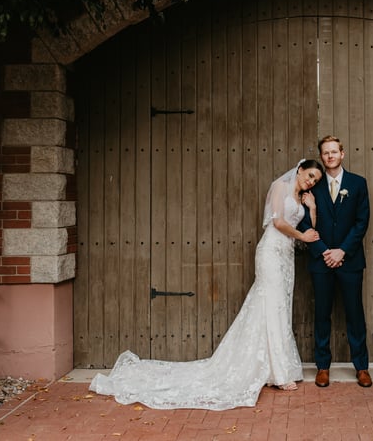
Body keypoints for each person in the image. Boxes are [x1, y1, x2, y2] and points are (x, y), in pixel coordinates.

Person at [89, 159, 325, 410]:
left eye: (315, 181)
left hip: (286, 256)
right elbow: (278, 222)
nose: (311, 181)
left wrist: (311, 209)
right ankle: (279, 373)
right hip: (270, 251)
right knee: (271, 303)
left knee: (278, 306)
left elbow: (310, 228)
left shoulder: (303, 197)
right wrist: (301, 235)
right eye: (309, 175)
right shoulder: (279, 186)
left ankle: (273, 367)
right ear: (299, 170)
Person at [299, 135, 372, 388]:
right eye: (325, 153)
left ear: (342, 154)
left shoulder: (358, 184)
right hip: (321, 263)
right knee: (322, 314)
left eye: (334, 152)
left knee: (354, 314)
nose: (330, 156)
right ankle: (322, 367)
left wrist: (341, 251)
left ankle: (361, 367)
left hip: (349, 261)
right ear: (321, 157)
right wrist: (323, 251)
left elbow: (361, 222)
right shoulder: (312, 187)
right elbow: (305, 223)